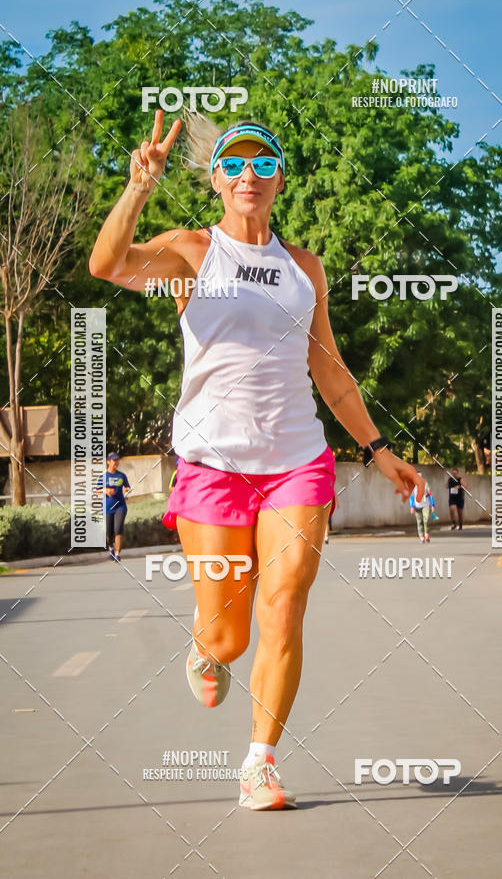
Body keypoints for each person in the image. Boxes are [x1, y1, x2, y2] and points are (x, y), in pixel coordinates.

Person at [89, 109, 425, 811]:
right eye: (236, 163)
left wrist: (380, 449)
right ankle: (205, 647)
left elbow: (329, 370)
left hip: (297, 461)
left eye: (264, 163)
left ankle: (259, 764)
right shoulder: (189, 251)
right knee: (229, 633)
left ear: (279, 181)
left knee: (284, 606)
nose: (250, 174)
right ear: (216, 179)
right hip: (213, 465)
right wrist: (138, 190)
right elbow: (108, 265)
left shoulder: (304, 267)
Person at [95, 452, 131, 562]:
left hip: (120, 506)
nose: (116, 462)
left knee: (118, 529)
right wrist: (105, 490)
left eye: (117, 460)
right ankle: (110, 547)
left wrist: (126, 490)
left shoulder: (121, 476)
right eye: (114, 460)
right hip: (107, 507)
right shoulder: (103, 477)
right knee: (109, 532)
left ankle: (117, 554)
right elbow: (97, 490)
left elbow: (128, 487)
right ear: (108, 462)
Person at [409, 472, 435, 543]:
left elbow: (430, 495)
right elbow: (411, 497)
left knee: (426, 520)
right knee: (419, 521)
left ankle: (426, 533)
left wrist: (432, 505)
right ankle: (421, 537)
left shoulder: (425, 484)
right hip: (417, 506)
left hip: (426, 505)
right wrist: (411, 506)